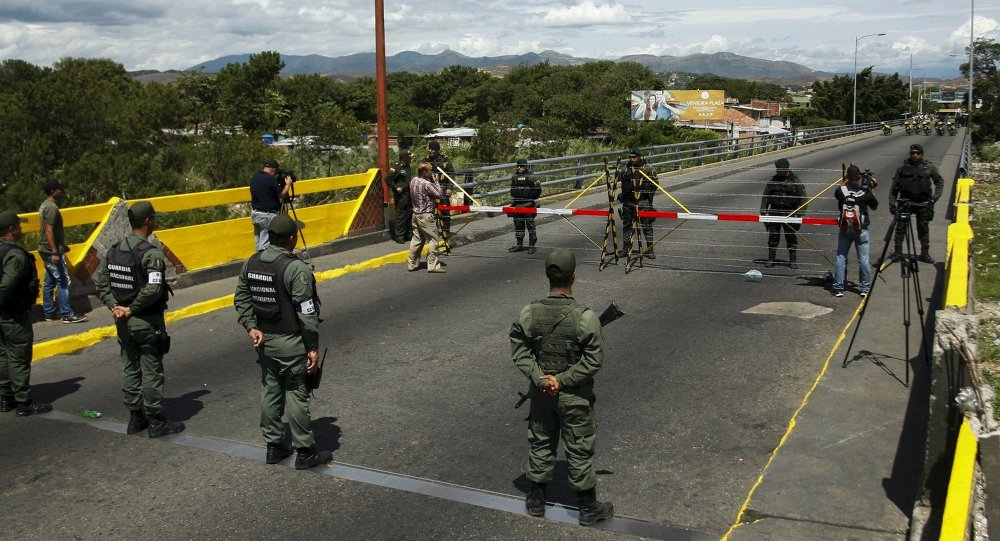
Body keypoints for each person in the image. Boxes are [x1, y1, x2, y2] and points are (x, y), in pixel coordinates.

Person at [509, 248, 614, 526]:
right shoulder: (585, 317)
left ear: (548, 276)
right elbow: (593, 360)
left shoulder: (529, 312)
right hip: (574, 396)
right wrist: (563, 380)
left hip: (542, 393)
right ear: (574, 276)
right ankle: (589, 508)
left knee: (541, 442)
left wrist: (540, 377)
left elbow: (518, 347)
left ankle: (536, 500)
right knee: (579, 447)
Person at [234, 214, 332, 470]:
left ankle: (274, 446)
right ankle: (305, 451)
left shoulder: (252, 262)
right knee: (297, 394)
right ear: (291, 238)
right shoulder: (295, 269)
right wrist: (312, 347)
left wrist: (251, 326)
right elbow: (307, 314)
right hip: (291, 343)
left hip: (265, 341)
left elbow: (241, 297)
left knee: (270, 391)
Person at [95, 202, 184, 437]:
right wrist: (131, 309)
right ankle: (156, 421)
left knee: (130, 367)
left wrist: (115, 307)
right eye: (153, 219)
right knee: (152, 369)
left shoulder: (113, 251)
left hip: (123, 322)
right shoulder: (151, 254)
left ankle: (135, 417)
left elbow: (102, 283)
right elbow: (154, 289)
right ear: (147, 222)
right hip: (145, 321)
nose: (154, 222)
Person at [0, 210, 50, 416]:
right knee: (19, 355)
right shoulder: (14, 254)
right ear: (11, 229)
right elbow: (7, 285)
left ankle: (6, 397)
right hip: (13, 313)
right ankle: (24, 401)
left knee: (2, 353)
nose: (20, 230)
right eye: (18, 227)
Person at [38, 179, 87, 323]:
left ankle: (49, 313)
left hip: (45, 248)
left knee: (49, 281)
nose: (62, 191)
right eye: (59, 189)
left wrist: (61, 244)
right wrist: (54, 251)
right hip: (50, 250)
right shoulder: (52, 208)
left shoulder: (44, 206)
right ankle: (67, 313)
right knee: (63, 281)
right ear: (53, 191)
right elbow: (49, 229)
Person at [888, 143, 944, 263]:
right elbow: (894, 188)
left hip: (923, 204)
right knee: (900, 229)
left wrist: (934, 198)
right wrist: (892, 204)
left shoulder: (929, 167)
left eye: (917, 153)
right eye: (912, 153)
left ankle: (925, 253)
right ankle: (898, 252)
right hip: (905, 204)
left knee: (923, 229)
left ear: (921, 154)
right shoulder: (902, 168)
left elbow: (939, 182)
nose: (915, 155)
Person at [832, 165, 879, 298]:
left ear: (847, 177)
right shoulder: (864, 192)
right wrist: (872, 188)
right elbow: (874, 206)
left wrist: (845, 180)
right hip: (861, 229)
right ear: (858, 178)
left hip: (845, 229)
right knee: (863, 259)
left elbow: (839, 191)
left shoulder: (841, 191)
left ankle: (838, 287)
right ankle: (864, 287)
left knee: (841, 257)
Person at [760, 158, 807, 269]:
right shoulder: (773, 181)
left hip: (790, 212)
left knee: (790, 237)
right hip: (775, 212)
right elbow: (766, 196)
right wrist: (763, 210)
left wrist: (799, 214)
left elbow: (803, 199)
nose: (777, 171)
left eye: (779, 169)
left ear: (785, 169)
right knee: (773, 236)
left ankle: (792, 260)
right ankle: (771, 259)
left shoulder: (795, 181)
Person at [617, 148, 657, 259]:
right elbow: (620, 181)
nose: (631, 159)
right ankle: (625, 249)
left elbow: (655, 185)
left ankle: (650, 250)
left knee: (647, 226)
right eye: (630, 157)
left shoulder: (647, 169)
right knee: (627, 226)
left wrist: (646, 194)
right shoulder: (625, 169)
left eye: (634, 157)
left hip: (642, 202)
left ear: (639, 157)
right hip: (628, 202)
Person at [406, 163, 446, 273]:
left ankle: (412, 263)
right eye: (430, 171)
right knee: (434, 240)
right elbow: (439, 194)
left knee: (417, 239)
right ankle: (433, 265)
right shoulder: (427, 184)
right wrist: (436, 181)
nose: (431, 173)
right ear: (424, 172)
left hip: (416, 214)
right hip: (426, 215)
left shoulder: (413, 180)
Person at [250, 159, 294, 252]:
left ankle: (256, 263)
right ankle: (264, 264)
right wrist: (288, 185)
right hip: (267, 216)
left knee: (258, 243)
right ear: (273, 170)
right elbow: (282, 194)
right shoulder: (270, 179)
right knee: (265, 245)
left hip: (255, 214)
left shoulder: (254, 178)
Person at [423, 142, 455, 251]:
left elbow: (451, 175)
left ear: (437, 151)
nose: (431, 151)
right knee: (431, 216)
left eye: (433, 150)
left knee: (445, 214)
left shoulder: (445, 160)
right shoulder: (425, 160)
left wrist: (450, 188)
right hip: (430, 192)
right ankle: (433, 240)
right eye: (430, 149)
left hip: (443, 191)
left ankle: (447, 237)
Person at [508, 159, 542, 254]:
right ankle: (519, 245)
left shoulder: (531, 177)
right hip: (517, 204)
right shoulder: (514, 177)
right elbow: (512, 189)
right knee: (518, 225)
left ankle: (532, 246)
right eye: (518, 166)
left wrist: (530, 198)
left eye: (521, 166)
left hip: (528, 205)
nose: (519, 168)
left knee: (530, 225)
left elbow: (538, 190)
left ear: (526, 166)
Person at [386, 151, 413, 244]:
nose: (411, 158)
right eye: (409, 157)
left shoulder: (408, 166)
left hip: (408, 194)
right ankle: (399, 236)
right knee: (400, 215)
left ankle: (408, 234)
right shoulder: (396, 167)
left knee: (409, 214)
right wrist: (395, 187)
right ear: (404, 157)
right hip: (401, 196)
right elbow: (388, 179)